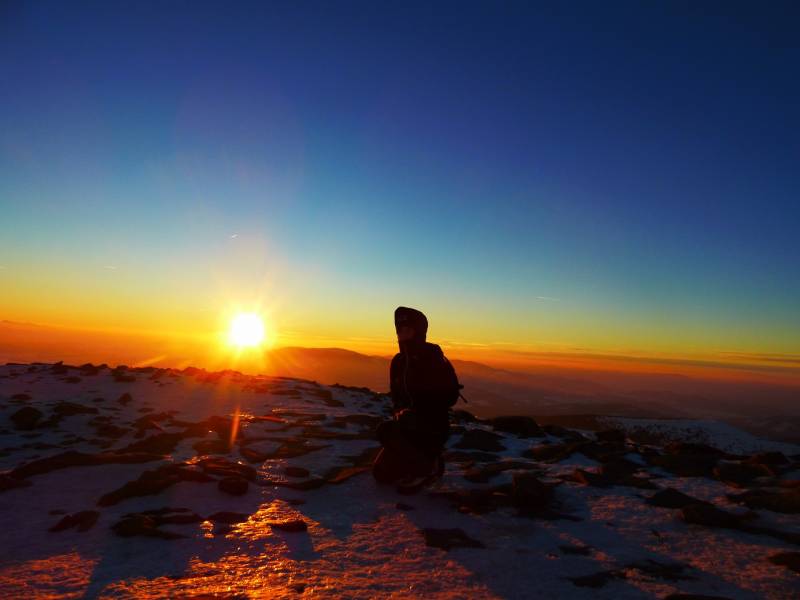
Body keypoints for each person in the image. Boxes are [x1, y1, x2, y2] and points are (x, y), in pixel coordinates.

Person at [372, 306, 461, 487]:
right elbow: (396, 396)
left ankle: (430, 465)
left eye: (408, 330)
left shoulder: (433, 358)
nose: (403, 335)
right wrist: (400, 412)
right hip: (406, 426)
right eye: (400, 331)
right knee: (381, 474)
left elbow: (450, 397)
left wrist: (420, 411)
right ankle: (416, 459)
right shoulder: (398, 362)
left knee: (394, 434)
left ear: (419, 332)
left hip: (432, 426)